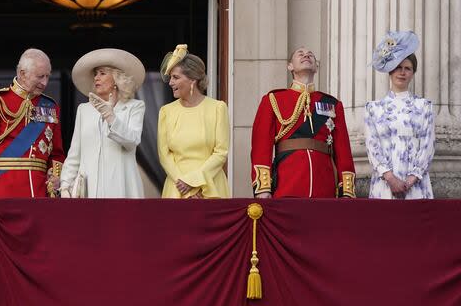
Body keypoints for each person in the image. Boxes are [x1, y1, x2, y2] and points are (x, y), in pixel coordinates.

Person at [250, 47, 355, 198]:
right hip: (288, 184)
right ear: (290, 66)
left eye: (310, 54)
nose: (306, 55)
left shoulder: (332, 104)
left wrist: (346, 190)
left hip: (324, 185)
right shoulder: (273, 99)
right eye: (300, 54)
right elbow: (261, 146)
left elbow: (343, 150)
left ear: (316, 67)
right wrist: (263, 188)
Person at [0, 48, 65, 198]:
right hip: (4, 190)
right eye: (40, 77)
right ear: (22, 74)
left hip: (40, 193)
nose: (44, 82)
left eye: (47, 76)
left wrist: (55, 183)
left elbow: (57, 153)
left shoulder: (50, 107)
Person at [60, 49, 146, 198]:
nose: (96, 78)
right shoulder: (84, 110)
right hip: (88, 189)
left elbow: (132, 141)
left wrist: (111, 117)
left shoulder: (134, 106)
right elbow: (75, 153)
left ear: (117, 78)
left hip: (121, 187)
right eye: (95, 74)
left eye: (102, 73)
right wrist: (65, 185)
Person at [365, 30, 434, 199]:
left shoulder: (424, 106)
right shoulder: (373, 108)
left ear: (412, 73)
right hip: (384, 186)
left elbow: (428, 145)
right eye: (397, 67)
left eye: (407, 68)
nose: (402, 72)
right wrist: (390, 178)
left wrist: (411, 180)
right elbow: (372, 147)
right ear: (390, 70)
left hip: (416, 186)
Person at [157, 44, 230, 198]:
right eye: (170, 78)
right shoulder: (166, 111)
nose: (170, 83)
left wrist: (195, 181)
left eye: (176, 77)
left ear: (193, 80)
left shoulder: (218, 108)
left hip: (210, 187)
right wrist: (185, 186)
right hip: (177, 188)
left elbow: (221, 152)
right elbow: (164, 155)